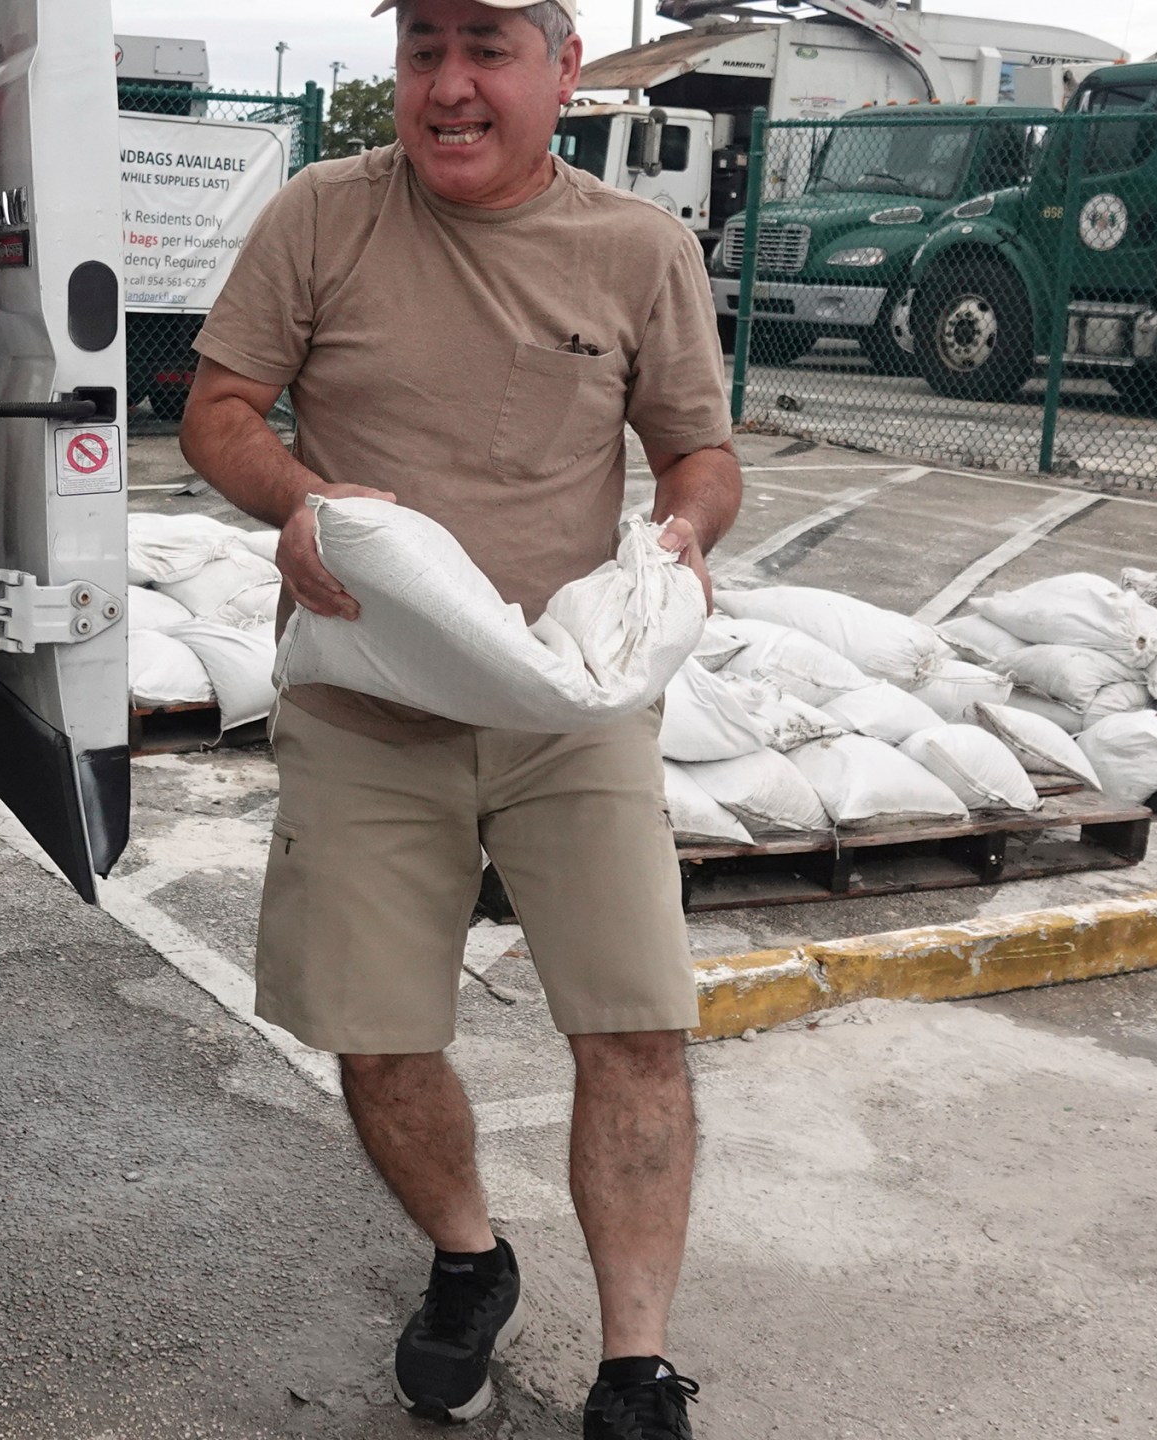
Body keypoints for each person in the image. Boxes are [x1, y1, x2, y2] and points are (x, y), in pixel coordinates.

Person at [176, 0, 742, 1434]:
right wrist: (298, 499)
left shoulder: (638, 248)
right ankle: (469, 1258)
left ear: (564, 69)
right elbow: (222, 408)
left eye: (488, 46)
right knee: (374, 1031)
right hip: (371, 696)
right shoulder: (321, 214)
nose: (450, 84)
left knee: (635, 1030)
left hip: (573, 705)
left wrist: (679, 541)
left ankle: (634, 1367)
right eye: (424, 47)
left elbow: (698, 453)